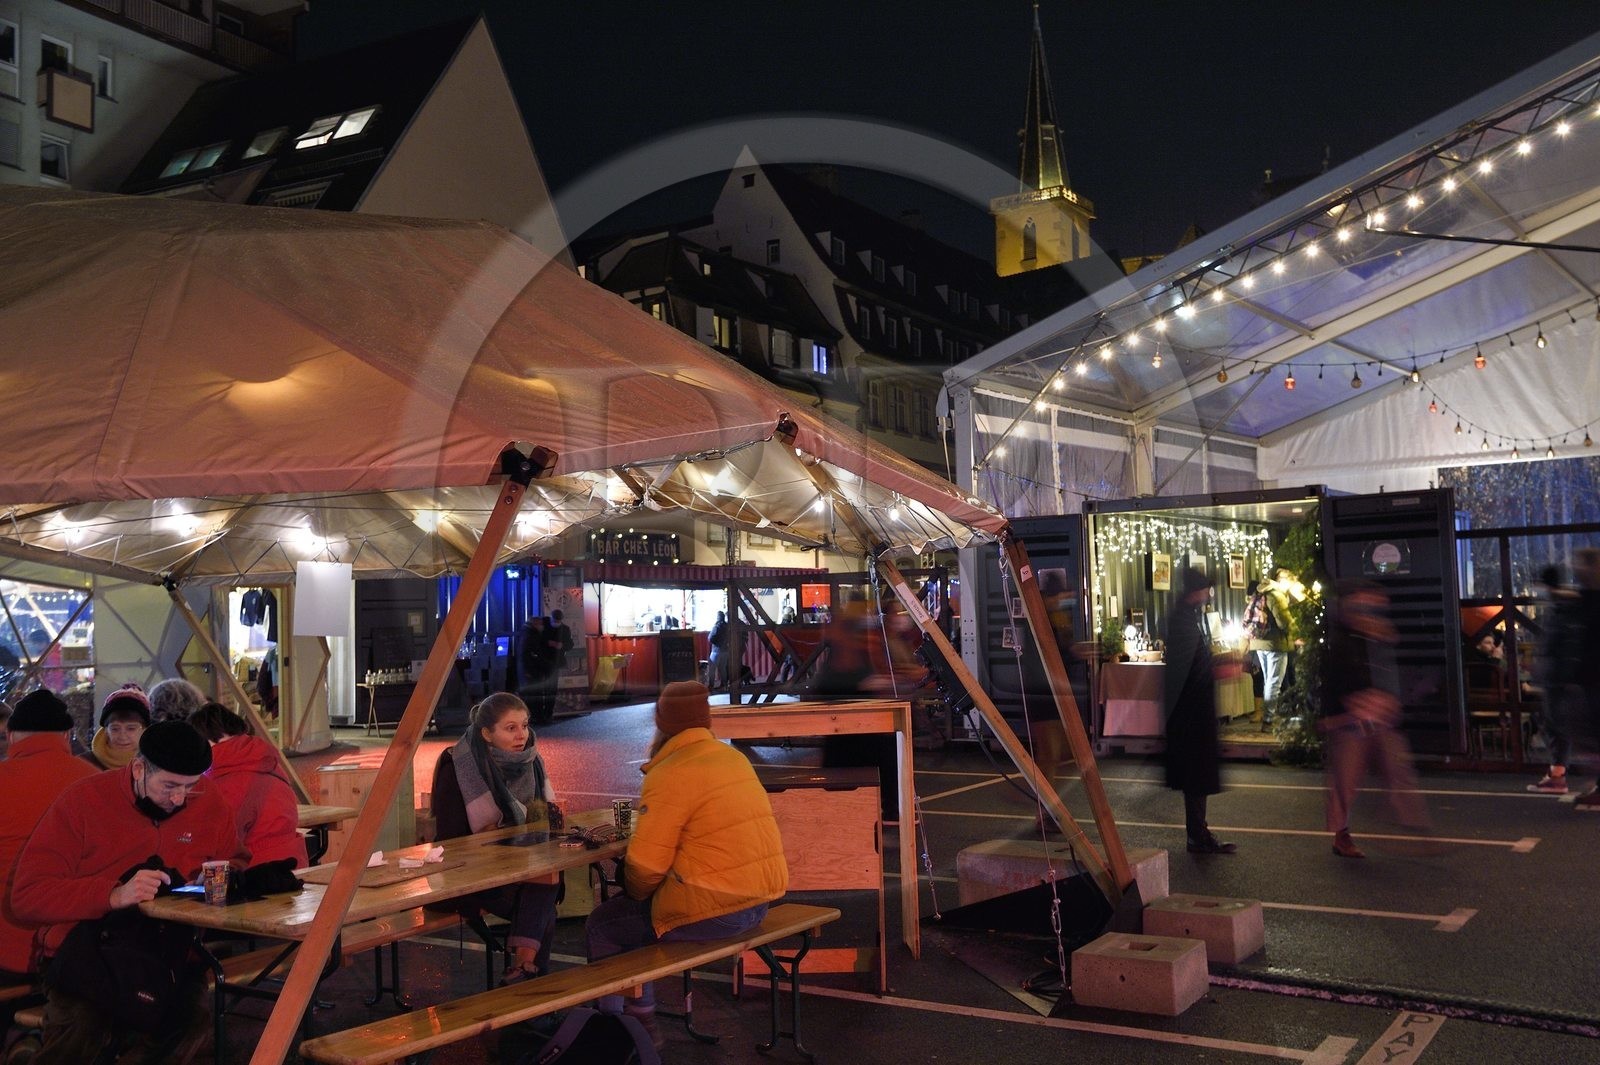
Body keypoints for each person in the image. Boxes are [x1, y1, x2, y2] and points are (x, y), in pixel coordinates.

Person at [10, 720, 244, 1063]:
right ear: (138, 769)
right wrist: (111, 895)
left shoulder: (210, 803)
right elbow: (27, 896)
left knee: (190, 1028)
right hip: (86, 953)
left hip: (171, 954)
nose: (179, 798)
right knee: (86, 1028)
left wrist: (229, 879)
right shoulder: (82, 801)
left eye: (190, 787)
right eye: (169, 786)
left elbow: (234, 861)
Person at [585, 682, 787, 1044]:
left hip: (718, 908)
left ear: (662, 722)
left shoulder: (670, 772)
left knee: (606, 924)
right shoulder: (731, 757)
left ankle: (625, 1026)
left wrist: (630, 888)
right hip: (759, 901)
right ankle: (634, 1016)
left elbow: (646, 869)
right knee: (640, 919)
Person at [432, 693, 560, 982]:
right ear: (487, 734)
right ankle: (529, 983)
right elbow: (452, 842)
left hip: (522, 871)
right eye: (511, 728)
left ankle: (523, 978)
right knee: (545, 897)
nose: (522, 735)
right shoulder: (459, 767)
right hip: (474, 875)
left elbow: (550, 818)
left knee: (545, 881)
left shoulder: (533, 762)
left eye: (525, 726)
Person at [1320, 581, 1430, 858]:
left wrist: (1389, 699)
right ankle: (1341, 834)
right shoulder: (1344, 640)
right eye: (1364, 605)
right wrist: (1344, 708)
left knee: (1398, 769)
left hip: (1379, 716)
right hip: (1351, 718)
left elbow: (1389, 671)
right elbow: (1335, 679)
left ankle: (1416, 828)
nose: (1371, 611)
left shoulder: (1378, 635)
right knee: (1346, 780)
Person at [0, 690, 99, 982]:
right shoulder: (94, 782)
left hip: (6, 947)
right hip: (75, 946)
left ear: (12, 734)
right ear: (67, 733)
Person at [1163, 567, 1235, 854]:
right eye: (1206, 589)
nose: (1208, 595)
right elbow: (1190, 668)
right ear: (1199, 590)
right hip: (1191, 712)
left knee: (1197, 776)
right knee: (1197, 775)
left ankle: (1199, 832)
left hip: (1190, 710)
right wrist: (1220, 669)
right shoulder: (1184, 619)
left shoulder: (1185, 615)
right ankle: (1197, 835)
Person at [187, 702, 308, 868]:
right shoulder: (261, 758)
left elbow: (219, 843)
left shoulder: (228, 776)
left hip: (258, 873)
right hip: (291, 864)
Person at [1527, 565, 1580, 794]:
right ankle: (1557, 774)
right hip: (1565, 677)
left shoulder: (1561, 608)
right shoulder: (1570, 604)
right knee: (1559, 725)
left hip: (1561, 678)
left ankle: (1558, 776)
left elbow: (1554, 645)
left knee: (1556, 725)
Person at [1567, 548, 1600, 811]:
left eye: (1580, 564)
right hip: (1589, 674)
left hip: (1593, 674)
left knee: (1590, 730)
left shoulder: (1589, 600)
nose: (1576, 568)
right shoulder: (1586, 597)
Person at [1245, 574, 1292, 730]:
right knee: (1274, 683)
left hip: (1259, 642)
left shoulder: (1260, 592)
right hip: (1275, 644)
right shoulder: (1276, 595)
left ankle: (1268, 716)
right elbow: (1284, 622)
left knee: (1268, 681)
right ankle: (1269, 720)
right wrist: (1299, 633)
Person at [83, 683, 151, 771]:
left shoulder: (157, 765)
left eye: (131, 728)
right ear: (106, 730)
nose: (122, 736)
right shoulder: (84, 764)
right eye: (115, 729)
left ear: (144, 730)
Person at [518, 615, 558, 725]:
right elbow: (530, 654)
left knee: (534, 695)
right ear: (535, 624)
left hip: (531, 670)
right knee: (535, 696)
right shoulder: (530, 635)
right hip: (531, 671)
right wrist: (545, 665)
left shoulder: (528, 633)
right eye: (540, 624)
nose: (542, 626)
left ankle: (537, 717)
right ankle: (537, 718)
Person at [706, 610, 731, 688]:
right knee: (723, 669)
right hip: (726, 650)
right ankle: (724, 685)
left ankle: (711, 685)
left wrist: (716, 643)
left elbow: (710, 638)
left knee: (712, 668)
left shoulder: (717, 626)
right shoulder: (728, 626)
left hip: (716, 650)